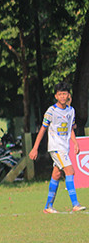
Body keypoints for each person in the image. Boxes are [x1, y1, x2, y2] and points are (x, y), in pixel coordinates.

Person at [30, 82, 85, 214]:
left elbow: (70, 129)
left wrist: (75, 143)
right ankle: (75, 204)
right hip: (55, 147)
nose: (62, 96)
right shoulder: (51, 111)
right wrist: (35, 148)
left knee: (56, 174)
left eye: (64, 94)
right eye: (59, 94)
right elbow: (43, 129)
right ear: (56, 96)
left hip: (64, 148)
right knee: (70, 171)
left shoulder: (71, 111)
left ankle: (48, 206)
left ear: (68, 95)